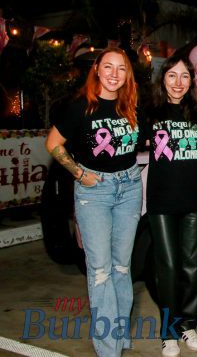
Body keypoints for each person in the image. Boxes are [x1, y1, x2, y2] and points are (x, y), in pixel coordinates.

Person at [45, 47, 141, 357]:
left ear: (127, 75)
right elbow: (53, 143)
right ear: (97, 69)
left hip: (129, 187)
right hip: (94, 192)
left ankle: (119, 337)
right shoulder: (80, 106)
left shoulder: (130, 105)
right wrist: (78, 173)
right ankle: (107, 349)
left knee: (122, 267)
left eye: (121, 68)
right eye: (108, 67)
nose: (114, 74)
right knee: (100, 271)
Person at [144, 50, 197, 356]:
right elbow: (129, 143)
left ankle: (187, 325)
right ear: (163, 79)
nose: (178, 82)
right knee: (168, 267)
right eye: (172, 75)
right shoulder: (151, 112)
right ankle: (168, 331)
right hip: (161, 202)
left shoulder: (196, 113)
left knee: (192, 266)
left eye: (184, 76)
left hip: (193, 201)